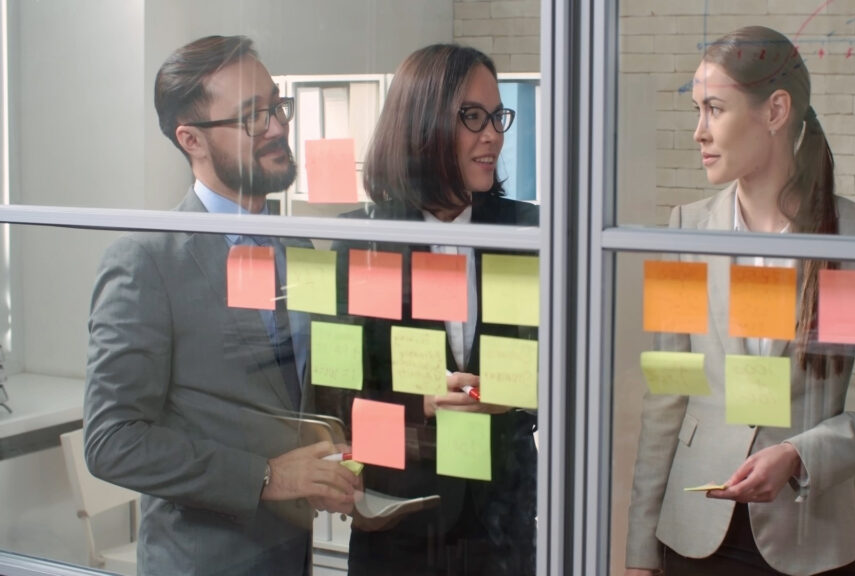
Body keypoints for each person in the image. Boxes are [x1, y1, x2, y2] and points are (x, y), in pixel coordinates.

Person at [625, 26, 855, 576]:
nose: (698, 131)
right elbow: (667, 394)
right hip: (691, 534)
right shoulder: (686, 230)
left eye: (714, 108)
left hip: (807, 540)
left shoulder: (854, 238)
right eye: (697, 109)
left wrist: (799, 454)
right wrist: (640, 549)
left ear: (775, 110)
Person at [84, 35, 360, 576]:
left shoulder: (298, 250)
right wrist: (266, 477)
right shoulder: (145, 262)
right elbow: (111, 440)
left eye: (277, 106)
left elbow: (302, 395)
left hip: (290, 555)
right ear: (192, 140)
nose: (279, 127)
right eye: (252, 117)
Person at [316, 44, 538, 575]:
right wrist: (421, 407)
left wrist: (513, 394)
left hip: (502, 525)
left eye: (496, 116)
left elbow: (568, 372)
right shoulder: (363, 241)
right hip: (400, 526)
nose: (493, 135)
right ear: (423, 124)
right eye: (472, 117)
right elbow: (332, 402)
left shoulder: (526, 233)